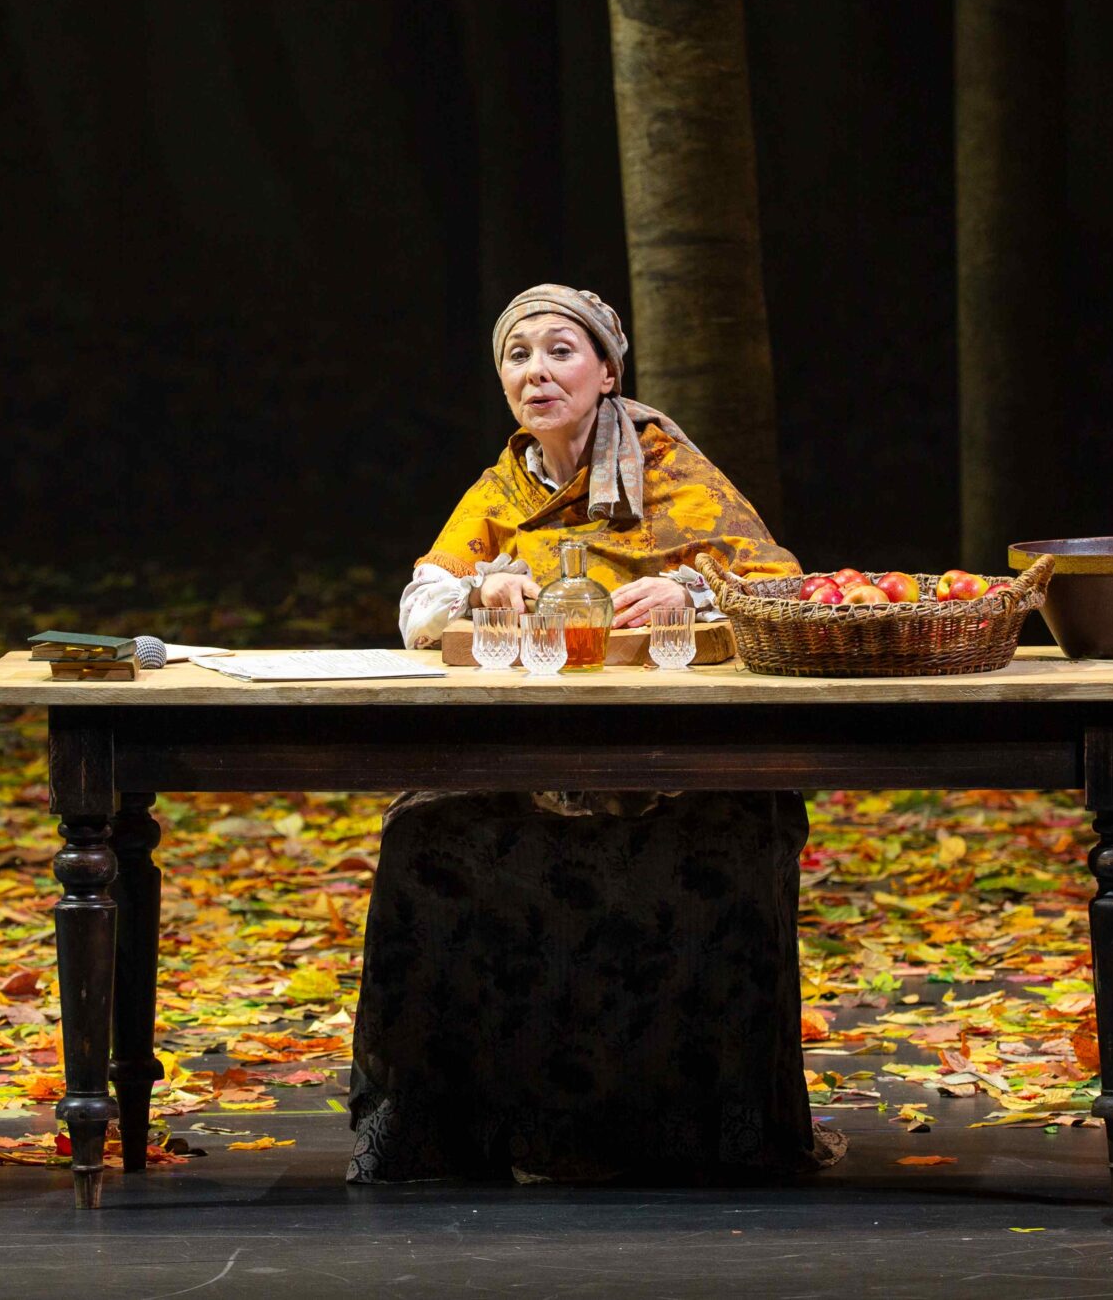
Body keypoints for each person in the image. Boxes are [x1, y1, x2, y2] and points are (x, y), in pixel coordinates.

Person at [349, 283, 838, 1184]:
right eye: (518, 355)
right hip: (533, 748)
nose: (537, 371)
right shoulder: (502, 487)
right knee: (426, 831)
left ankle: (702, 1132)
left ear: (608, 371)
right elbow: (419, 607)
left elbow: (781, 583)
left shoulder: (672, 470)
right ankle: (451, 1129)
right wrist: (482, 588)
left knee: (737, 823)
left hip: (676, 751)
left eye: (560, 350)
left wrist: (689, 590)